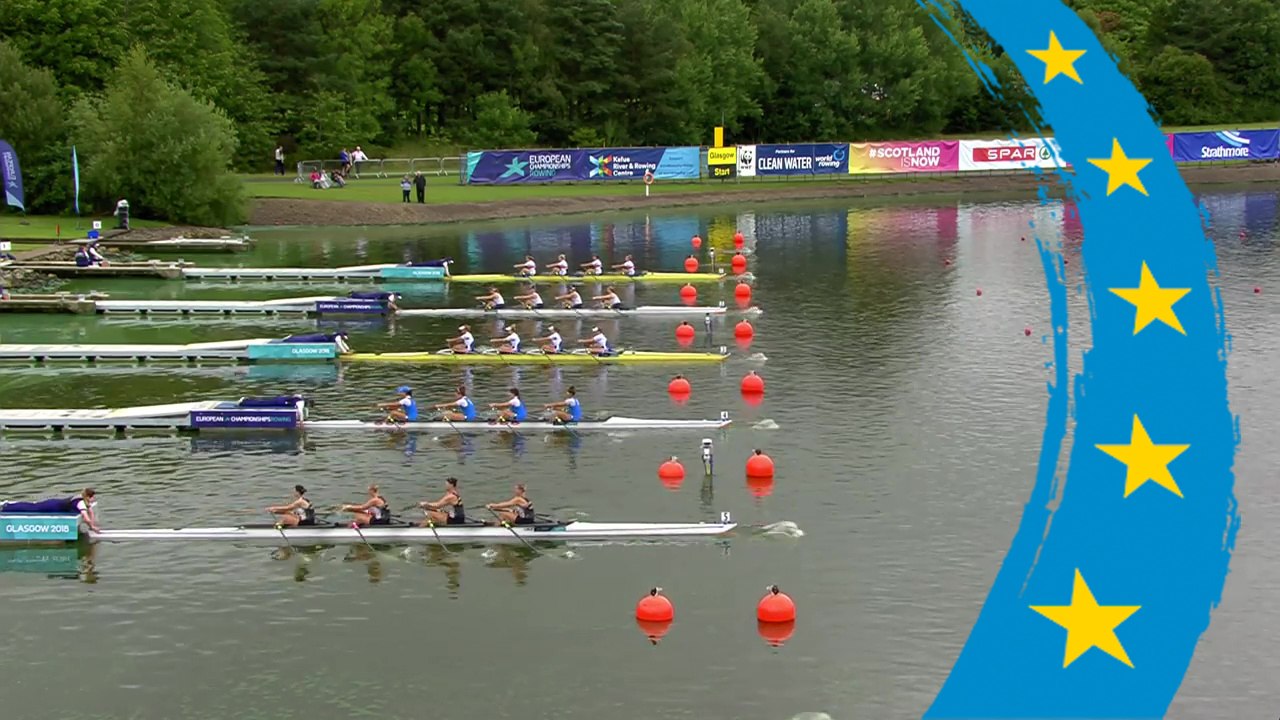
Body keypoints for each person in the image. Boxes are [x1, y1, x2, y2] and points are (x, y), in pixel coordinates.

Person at [1, 488, 101, 532]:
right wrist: (92, 527)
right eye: (92, 497)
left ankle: (9, 505)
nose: (93, 499)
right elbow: (86, 517)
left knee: (33, 506)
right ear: (88, 497)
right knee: (32, 508)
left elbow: (90, 512)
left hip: (55, 504)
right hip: (52, 506)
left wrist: (93, 526)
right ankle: (7, 506)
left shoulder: (85, 500)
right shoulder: (81, 503)